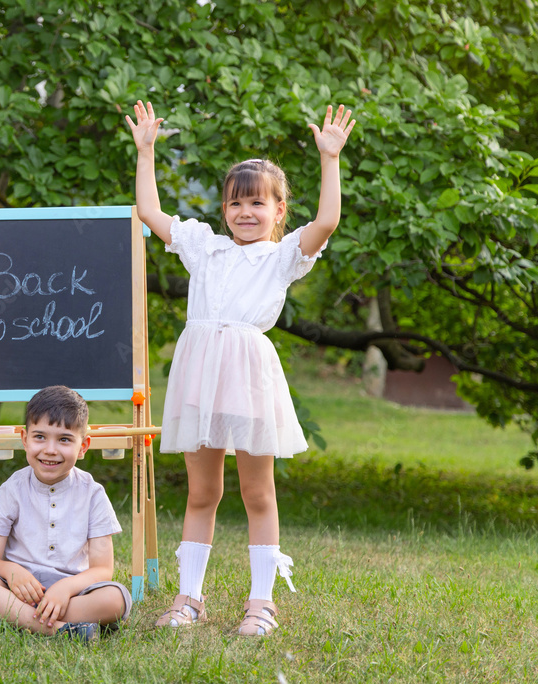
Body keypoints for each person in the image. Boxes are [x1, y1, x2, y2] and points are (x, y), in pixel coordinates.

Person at [126, 101, 355, 635]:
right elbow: (151, 214)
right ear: (224, 208)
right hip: (201, 373)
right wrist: (145, 152)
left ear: (279, 211)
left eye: (258, 203)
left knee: (258, 491)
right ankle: (189, 598)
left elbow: (327, 221)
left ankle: (260, 602)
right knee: (202, 492)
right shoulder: (205, 249)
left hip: (249, 375)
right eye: (236, 203)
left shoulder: (282, 257)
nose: (246, 212)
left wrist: (330, 159)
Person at [0, 386, 132, 641]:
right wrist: (12, 572)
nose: (50, 449)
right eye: (40, 437)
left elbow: (102, 570)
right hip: (15, 590)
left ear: (83, 446)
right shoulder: (12, 489)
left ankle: (5, 618)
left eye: (64, 439)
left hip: (71, 594)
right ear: (25, 439)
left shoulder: (93, 494)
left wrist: (65, 588)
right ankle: (58, 630)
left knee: (115, 599)